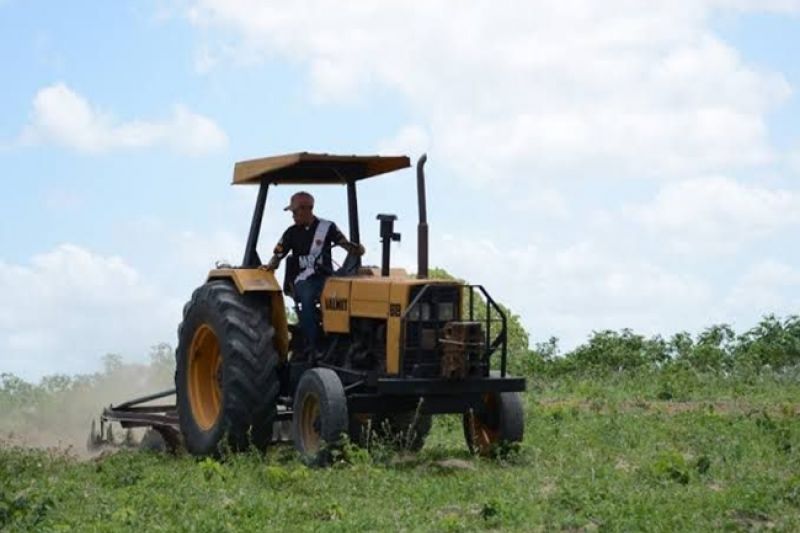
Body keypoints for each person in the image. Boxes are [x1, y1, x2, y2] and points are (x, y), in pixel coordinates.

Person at [263, 191, 364, 353]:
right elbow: (278, 256)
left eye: (294, 211)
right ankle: (314, 345)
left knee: (345, 294)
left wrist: (356, 249)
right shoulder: (291, 233)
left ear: (306, 209)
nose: (293, 216)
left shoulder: (327, 227)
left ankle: (345, 340)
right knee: (308, 296)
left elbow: (345, 244)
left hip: (326, 277)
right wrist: (269, 267)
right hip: (302, 280)